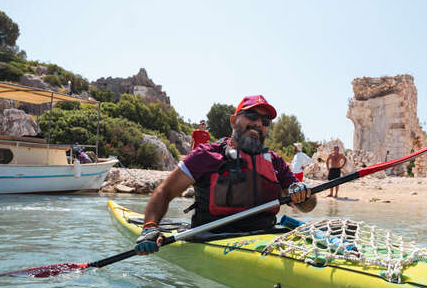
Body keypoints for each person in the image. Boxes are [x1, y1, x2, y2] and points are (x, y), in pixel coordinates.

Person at [135, 95, 317, 255]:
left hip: (264, 239)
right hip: (212, 238)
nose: (259, 123)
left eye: (265, 121)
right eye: (252, 116)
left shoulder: (275, 161)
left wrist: (302, 194)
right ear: (233, 121)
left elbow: (308, 206)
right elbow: (164, 192)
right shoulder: (206, 155)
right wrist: (150, 227)